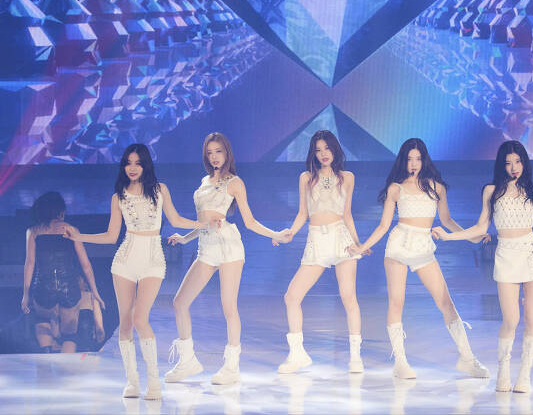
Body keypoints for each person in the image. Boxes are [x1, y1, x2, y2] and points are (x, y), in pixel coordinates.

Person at [433, 140, 533, 393]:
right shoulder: (491, 191)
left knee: (532, 317)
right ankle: (504, 370)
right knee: (511, 319)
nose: (513, 167)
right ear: (501, 165)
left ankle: (524, 375)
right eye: (508, 163)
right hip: (506, 255)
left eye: (518, 162)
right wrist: (448, 236)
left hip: (532, 254)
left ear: (524, 163)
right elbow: (480, 227)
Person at [64, 143, 207, 399]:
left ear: (145, 165)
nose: (132, 168)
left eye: (137, 163)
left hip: (153, 260)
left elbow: (175, 220)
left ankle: (153, 382)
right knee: (126, 322)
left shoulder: (160, 190)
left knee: (141, 318)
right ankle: (132, 382)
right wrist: (79, 236)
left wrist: (202, 224)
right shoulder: (118, 197)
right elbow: (111, 236)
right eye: (128, 163)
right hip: (125, 260)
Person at [349, 138, 489, 379]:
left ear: (424, 160)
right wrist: (362, 247)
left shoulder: (437, 188)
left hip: (423, 246)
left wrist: (472, 237)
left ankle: (467, 359)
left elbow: (447, 220)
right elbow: (383, 226)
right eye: (409, 159)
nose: (413, 163)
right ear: (403, 161)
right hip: (399, 244)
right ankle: (400, 363)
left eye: (418, 158)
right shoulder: (396, 188)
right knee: (396, 302)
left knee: (445, 302)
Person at [164, 132, 289, 385]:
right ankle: (188, 361)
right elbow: (204, 221)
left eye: (218, 151)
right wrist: (185, 238)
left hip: (228, 246)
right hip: (206, 247)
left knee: (228, 306)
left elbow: (250, 221)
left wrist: (275, 234)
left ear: (227, 152)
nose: (214, 157)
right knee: (179, 302)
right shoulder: (204, 181)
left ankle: (232, 367)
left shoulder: (235, 182)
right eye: (210, 153)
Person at [275, 130, 365, 374]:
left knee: (348, 297)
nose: (323, 154)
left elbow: (347, 214)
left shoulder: (347, 177)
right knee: (292, 296)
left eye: (327, 148)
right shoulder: (306, 178)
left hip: (341, 238)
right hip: (316, 239)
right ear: (313, 154)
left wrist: (359, 244)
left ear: (335, 149)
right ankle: (297, 354)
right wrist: (289, 233)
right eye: (318, 150)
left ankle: (355, 357)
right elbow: (302, 213)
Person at [22, 191, 105, 353]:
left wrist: (25, 294)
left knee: (42, 321)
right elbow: (86, 265)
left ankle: (46, 358)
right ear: (60, 211)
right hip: (69, 288)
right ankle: (66, 367)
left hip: (43, 287)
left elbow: (30, 263)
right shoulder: (71, 230)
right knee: (69, 335)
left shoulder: (33, 231)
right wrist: (95, 292)